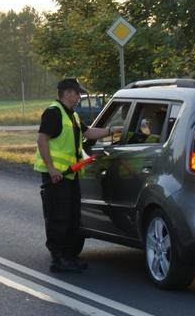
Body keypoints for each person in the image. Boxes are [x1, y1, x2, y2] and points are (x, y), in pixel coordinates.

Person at [34, 77, 117, 273]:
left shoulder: (71, 115)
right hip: (56, 176)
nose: (80, 96)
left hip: (70, 175)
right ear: (67, 93)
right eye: (77, 93)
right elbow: (41, 139)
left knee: (71, 217)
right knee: (58, 218)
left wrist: (112, 130)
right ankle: (58, 259)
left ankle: (69, 257)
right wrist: (51, 168)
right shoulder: (54, 113)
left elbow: (88, 134)